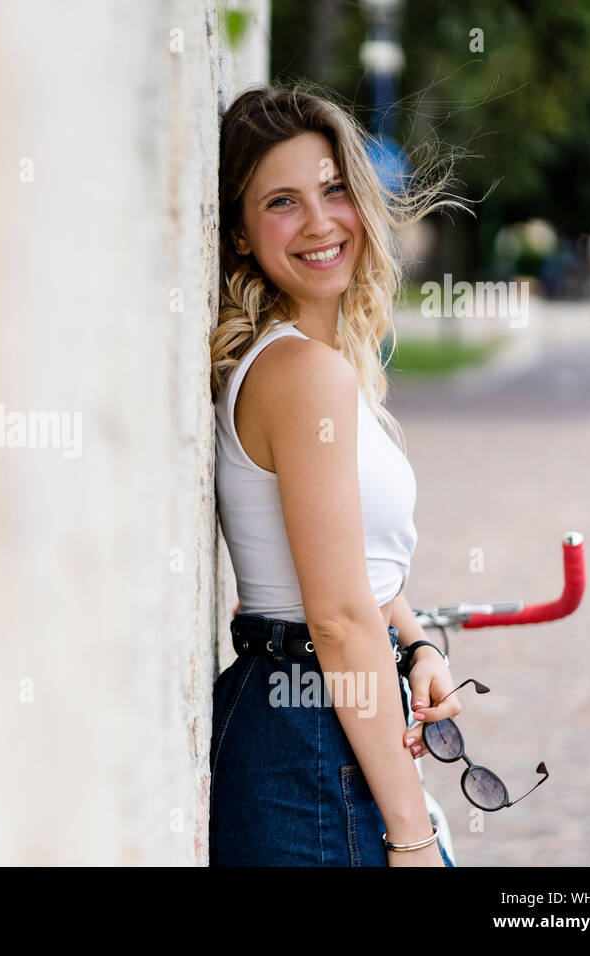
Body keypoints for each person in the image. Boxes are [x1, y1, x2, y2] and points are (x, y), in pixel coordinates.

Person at [208, 85, 470, 866]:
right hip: (311, 736)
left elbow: (364, 573)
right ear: (242, 235)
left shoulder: (324, 368)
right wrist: (413, 837)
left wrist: (419, 646)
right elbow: (337, 619)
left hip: (317, 721)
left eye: (332, 190)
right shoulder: (301, 374)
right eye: (283, 201)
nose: (321, 222)